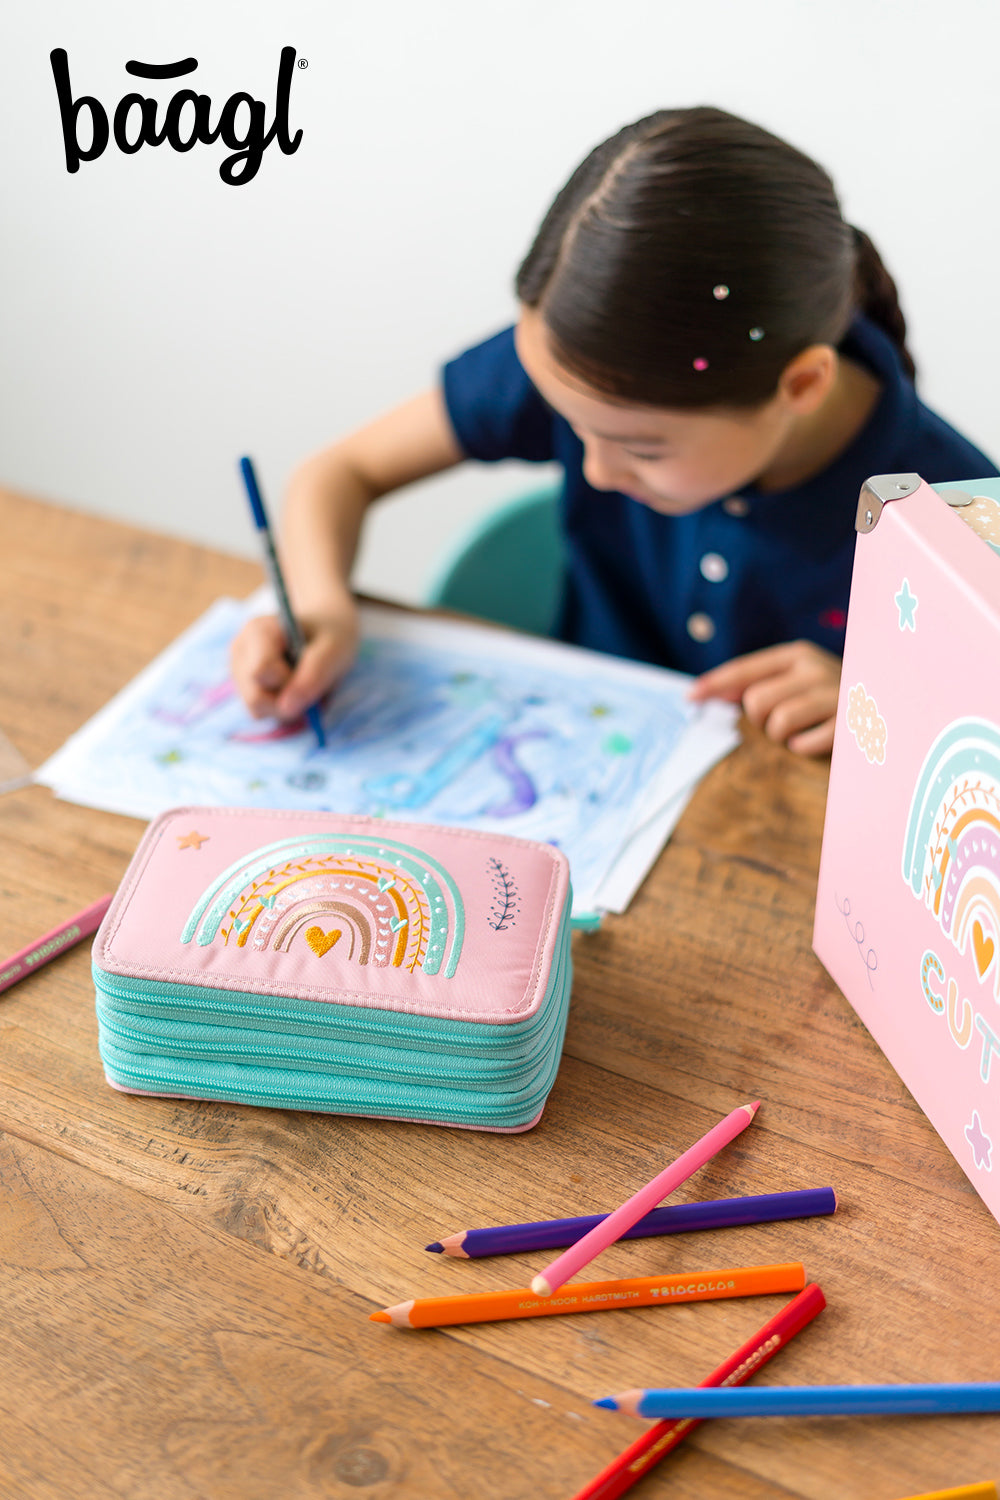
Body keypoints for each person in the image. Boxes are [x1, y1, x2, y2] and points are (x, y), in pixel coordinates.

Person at [230, 106, 997, 756]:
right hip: (577, 763)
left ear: (800, 386)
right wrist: (320, 604)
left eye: (641, 449)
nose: (592, 468)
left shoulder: (956, 513)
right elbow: (339, 473)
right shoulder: (589, 365)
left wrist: (896, 703)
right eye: (569, 424)